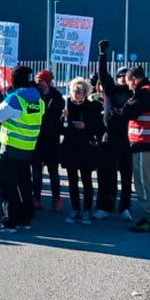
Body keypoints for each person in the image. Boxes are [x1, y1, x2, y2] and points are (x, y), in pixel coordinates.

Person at [0, 66, 43, 232]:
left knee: (7, 186)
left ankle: (9, 221)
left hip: (11, 148)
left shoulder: (15, 99)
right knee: (24, 184)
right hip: (28, 149)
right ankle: (25, 219)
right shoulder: (38, 100)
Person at [120, 66, 150, 233]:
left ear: (134, 79)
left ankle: (149, 218)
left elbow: (127, 112)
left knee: (144, 183)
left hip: (144, 144)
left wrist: (126, 104)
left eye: (128, 82)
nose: (128, 86)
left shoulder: (143, 93)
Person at [94, 40, 134, 221]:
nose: (124, 78)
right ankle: (104, 207)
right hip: (109, 138)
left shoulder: (134, 93)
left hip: (127, 138)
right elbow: (102, 74)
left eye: (127, 76)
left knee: (126, 176)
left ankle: (125, 207)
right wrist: (102, 54)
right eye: (121, 76)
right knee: (106, 175)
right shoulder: (110, 90)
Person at [60, 78, 105, 225]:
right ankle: (75, 208)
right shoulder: (65, 105)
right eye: (75, 90)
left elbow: (99, 127)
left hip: (86, 147)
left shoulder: (92, 107)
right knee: (72, 180)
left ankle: (86, 209)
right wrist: (64, 119)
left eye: (80, 91)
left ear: (85, 93)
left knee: (87, 180)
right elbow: (60, 129)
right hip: (70, 147)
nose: (77, 93)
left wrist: (86, 126)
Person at [32, 69, 64, 211]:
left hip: (51, 140)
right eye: (37, 80)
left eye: (41, 81)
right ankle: (36, 198)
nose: (38, 83)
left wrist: (63, 119)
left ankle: (56, 199)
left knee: (53, 173)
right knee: (36, 173)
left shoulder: (57, 97)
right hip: (37, 139)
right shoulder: (33, 95)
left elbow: (58, 119)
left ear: (47, 82)